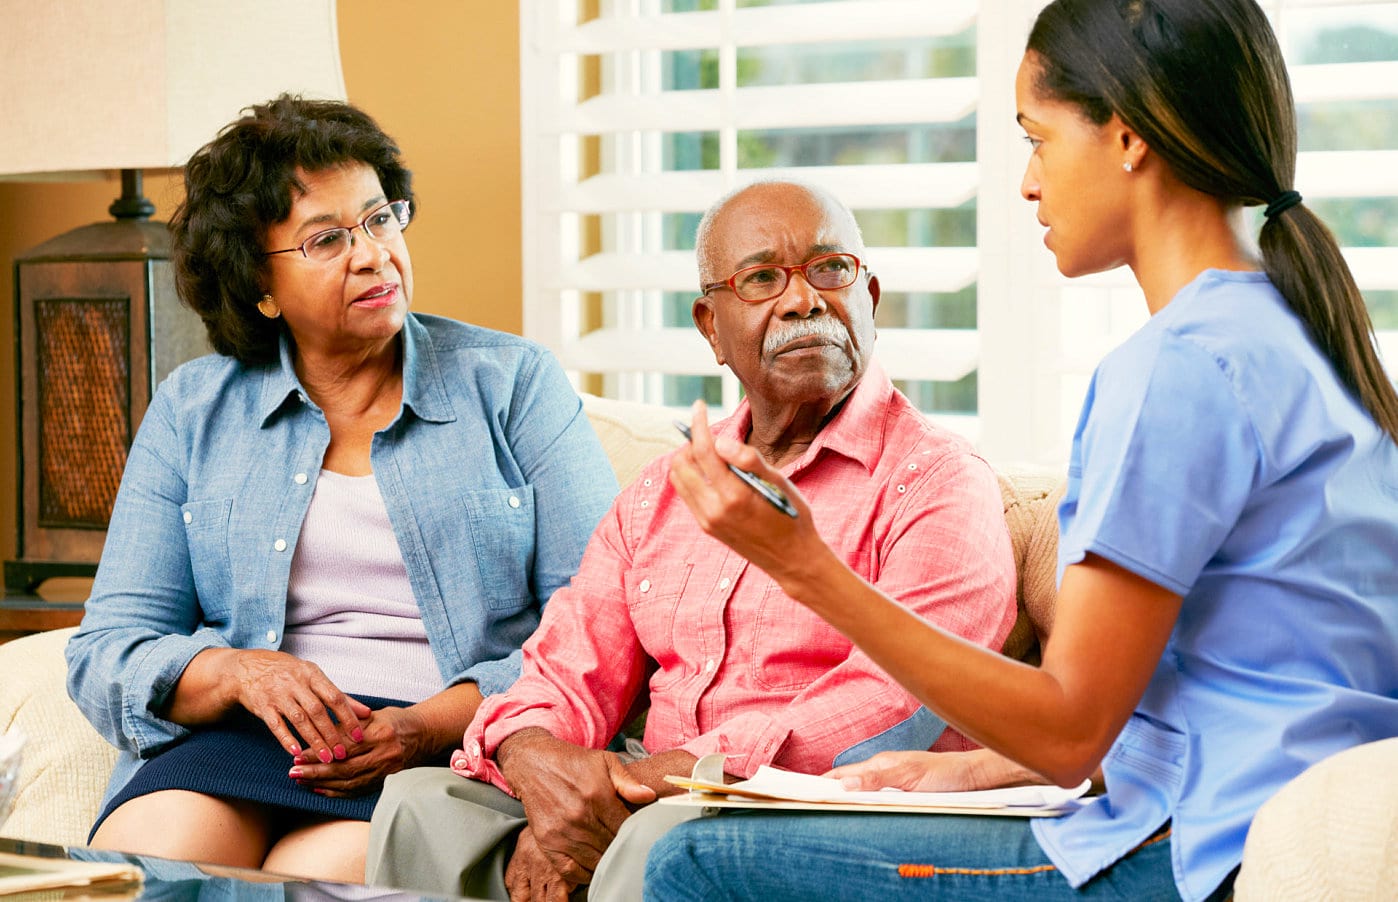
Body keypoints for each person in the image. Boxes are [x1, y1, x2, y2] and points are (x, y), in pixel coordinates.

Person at [645, 1, 1398, 900]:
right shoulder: (1307, 338)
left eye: (1037, 139)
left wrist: (804, 565)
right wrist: (978, 768)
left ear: (1127, 137)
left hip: (1199, 855)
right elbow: (1256, 688)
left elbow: (1071, 727)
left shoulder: (1178, 370)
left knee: (695, 863)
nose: (1028, 183)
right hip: (1256, 811)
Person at [365, 179, 1020, 901]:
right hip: (650, 793)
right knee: (422, 807)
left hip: (820, 810)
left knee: (662, 835)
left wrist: (649, 782)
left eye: (831, 269)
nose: (803, 300)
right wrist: (538, 762)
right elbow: (564, 666)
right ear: (711, 325)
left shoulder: (936, 482)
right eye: (763, 277)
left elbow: (895, 705)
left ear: (871, 300)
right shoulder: (662, 492)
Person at [63, 94, 617, 883]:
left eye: (381, 218)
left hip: (442, 747)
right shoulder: (192, 410)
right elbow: (107, 649)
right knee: (156, 863)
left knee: (321, 874)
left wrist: (425, 728)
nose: (374, 254)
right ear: (259, 286)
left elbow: (598, 629)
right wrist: (239, 673)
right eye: (327, 239)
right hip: (246, 741)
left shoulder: (513, 384)